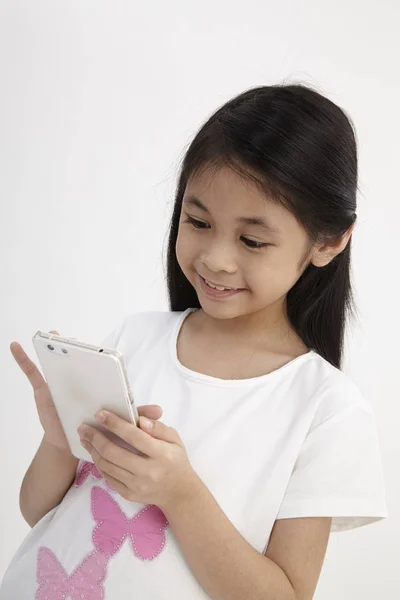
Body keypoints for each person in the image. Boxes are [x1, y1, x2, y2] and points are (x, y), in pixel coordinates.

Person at [0, 83, 387, 600]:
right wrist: (59, 440)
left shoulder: (326, 410)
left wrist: (180, 494)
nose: (216, 258)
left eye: (252, 240)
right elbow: (36, 513)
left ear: (329, 241)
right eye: (198, 221)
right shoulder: (133, 340)